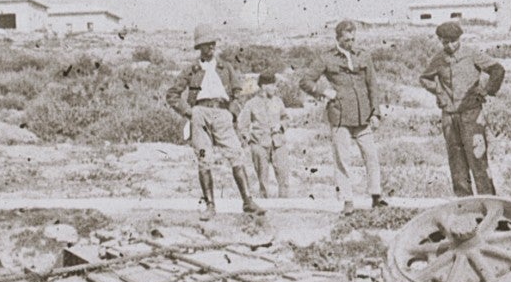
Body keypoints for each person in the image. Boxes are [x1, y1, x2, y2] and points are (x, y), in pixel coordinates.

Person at [165, 24, 263, 216]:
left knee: (236, 154)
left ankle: (248, 201)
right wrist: (190, 113)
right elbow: (172, 94)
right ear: (199, 47)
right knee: (204, 159)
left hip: (222, 114)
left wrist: (232, 113)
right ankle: (210, 206)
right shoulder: (192, 70)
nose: (211, 47)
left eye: (212, 43)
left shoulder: (225, 68)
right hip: (200, 114)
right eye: (206, 44)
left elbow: (238, 92)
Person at [301, 19, 385, 213]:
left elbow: (372, 86)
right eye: (346, 40)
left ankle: (376, 196)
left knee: (371, 156)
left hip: (363, 116)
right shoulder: (326, 58)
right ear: (338, 38)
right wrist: (323, 91)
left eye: (353, 39)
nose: (350, 43)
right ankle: (347, 200)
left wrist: (376, 113)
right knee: (342, 160)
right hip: (340, 116)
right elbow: (305, 81)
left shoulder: (363, 55)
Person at [419, 21, 505, 197]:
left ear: (459, 39)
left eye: (453, 41)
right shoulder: (439, 59)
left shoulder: (472, 54)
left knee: (478, 160)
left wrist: (486, 90)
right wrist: (439, 91)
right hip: (449, 118)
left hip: (471, 115)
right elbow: (424, 78)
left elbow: (498, 70)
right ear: (440, 41)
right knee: (456, 163)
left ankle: (488, 202)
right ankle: (465, 204)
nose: (450, 46)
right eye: (445, 42)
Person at [239, 71, 291, 200]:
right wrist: (250, 141)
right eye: (271, 85)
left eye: (274, 85)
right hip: (259, 145)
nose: (274, 88)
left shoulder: (278, 101)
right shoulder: (251, 103)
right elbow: (243, 126)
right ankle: (265, 206)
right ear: (263, 86)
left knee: (284, 177)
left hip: (278, 143)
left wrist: (281, 126)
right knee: (263, 180)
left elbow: (286, 118)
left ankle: (285, 206)